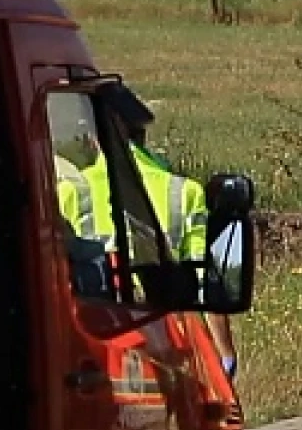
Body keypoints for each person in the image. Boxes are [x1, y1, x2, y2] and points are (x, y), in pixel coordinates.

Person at [83, 86, 239, 378]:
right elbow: (206, 282)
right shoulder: (183, 192)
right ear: (142, 135)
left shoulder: (67, 190)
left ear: (95, 138)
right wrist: (224, 356)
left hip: (93, 341)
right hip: (164, 343)